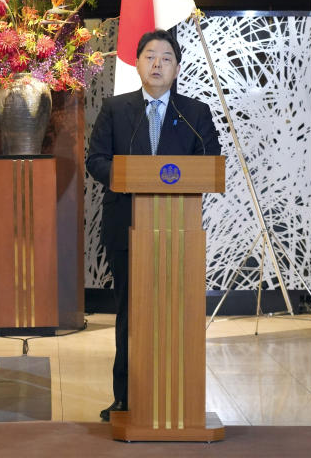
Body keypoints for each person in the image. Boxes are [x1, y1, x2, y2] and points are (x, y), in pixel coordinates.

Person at [86, 29, 221, 422]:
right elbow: (95, 160)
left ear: (177, 67)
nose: (157, 64)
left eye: (165, 58)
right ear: (138, 63)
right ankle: (125, 398)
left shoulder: (195, 114)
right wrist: (129, 175)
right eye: (150, 56)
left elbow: (210, 162)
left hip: (179, 233)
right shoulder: (117, 109)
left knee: (177, 312)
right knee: (132, 311)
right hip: (128, 228)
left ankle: (179, 393)